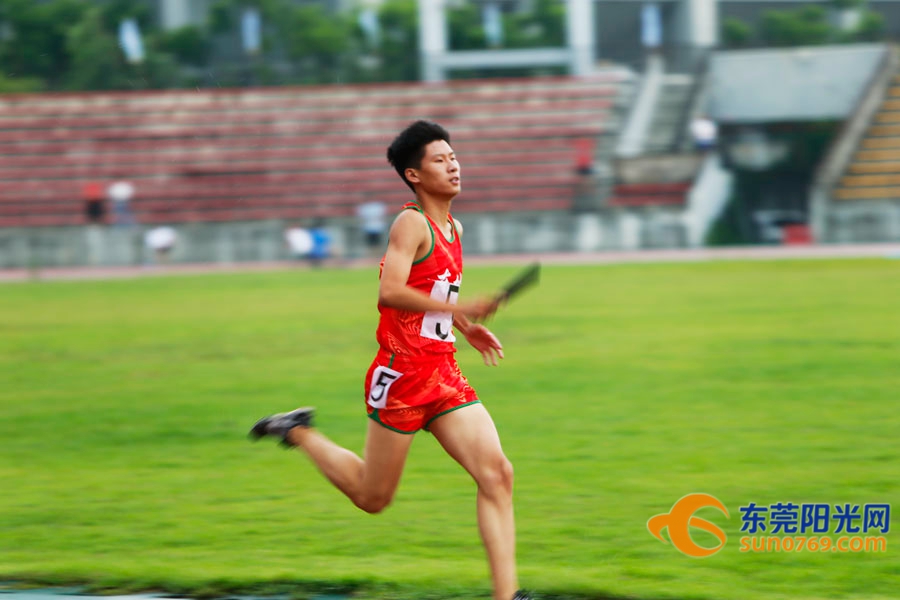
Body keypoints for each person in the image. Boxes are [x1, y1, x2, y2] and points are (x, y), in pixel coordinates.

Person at [249, 120, 532, 600]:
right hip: (402, 376)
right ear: (414, 175)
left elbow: (435, 289)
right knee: (372, 497)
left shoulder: (454, 228)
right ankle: (297, 431)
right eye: (440, 160)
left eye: (453, 156)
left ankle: (506, 596)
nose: (453, 165)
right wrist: (465, 306)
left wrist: (465, 326)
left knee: (497, 474)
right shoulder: (411, 223)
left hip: (443, 372)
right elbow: (391, 291)